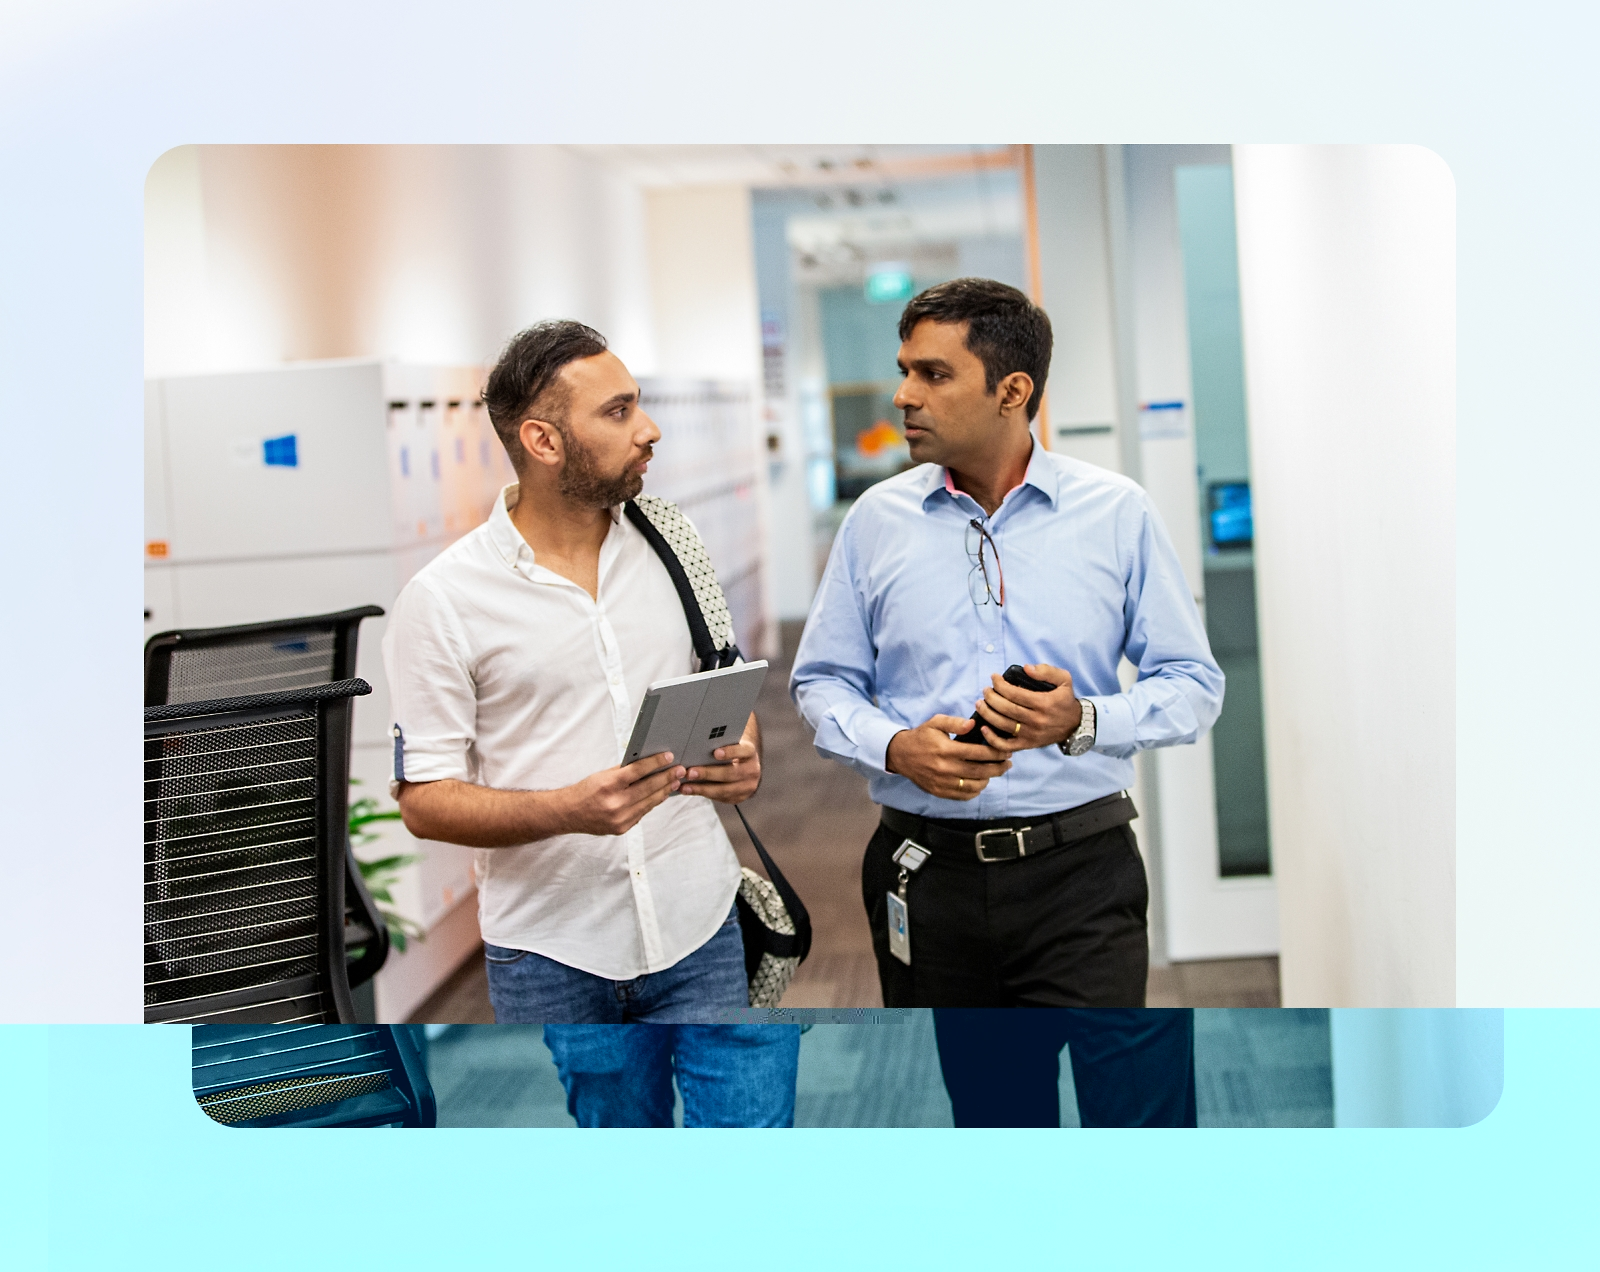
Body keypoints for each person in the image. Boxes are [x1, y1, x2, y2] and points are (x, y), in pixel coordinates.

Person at [789, 277, 1223, 1125]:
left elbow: (1193, 684)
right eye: (904, 371)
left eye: (933, 375)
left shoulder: (1116, 513)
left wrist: (1085, 720)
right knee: (995, 1122)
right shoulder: (876, 522)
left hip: (1081, 876)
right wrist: (894, 747)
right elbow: (821, 681)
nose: (903, 396)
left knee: (1139, 1115)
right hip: (929, 878)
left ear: (1012, 390)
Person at [383, 318, 798, 1126]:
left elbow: (723, 681)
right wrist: (567, 809)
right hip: (554, 950)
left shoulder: (674, 541)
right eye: (617, 412)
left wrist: (742, 751)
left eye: (639, 405)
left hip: (700, 918)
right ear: (542, 439)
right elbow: (424, 799)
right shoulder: (445, 600)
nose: (648, 430)